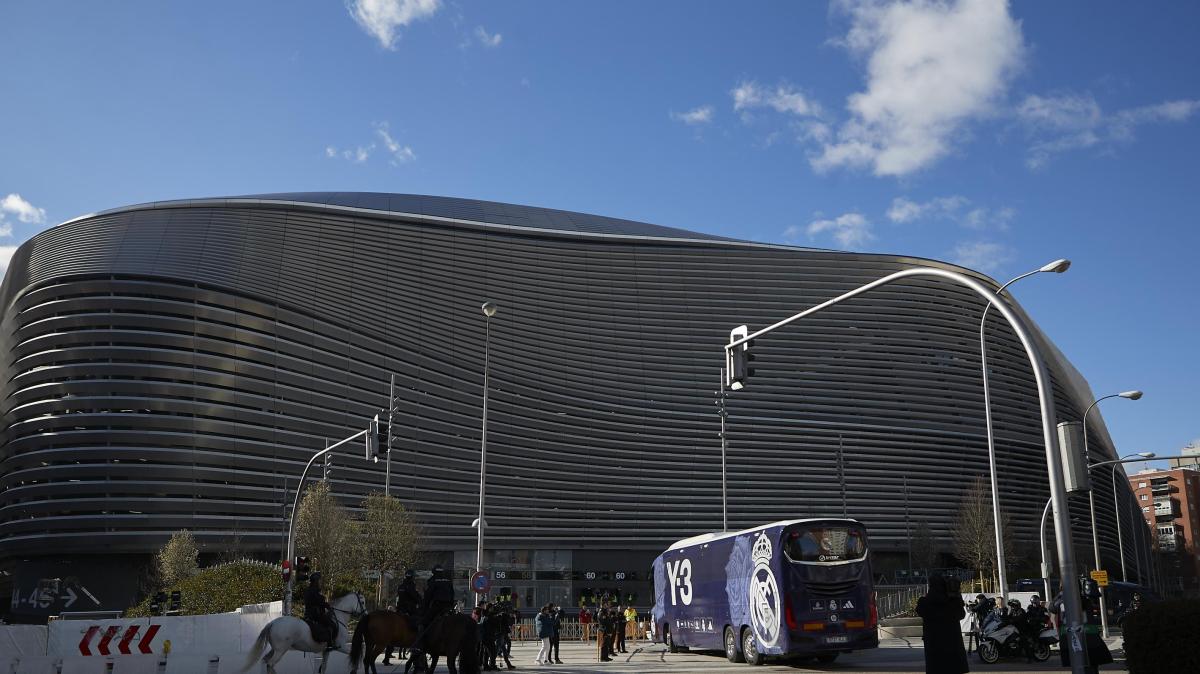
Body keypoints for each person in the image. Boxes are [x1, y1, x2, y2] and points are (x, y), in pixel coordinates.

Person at [915, 574, 968, 674]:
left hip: (934, 648)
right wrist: (956, 596)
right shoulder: (952, 602)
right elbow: (961, 615)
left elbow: (920, 610)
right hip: (953, 647)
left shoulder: (924, 603)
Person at [303, 571, 339, 650]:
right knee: (331, 624)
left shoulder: (309, 590)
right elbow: (319, 602)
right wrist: (328, 606)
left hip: (309, 613)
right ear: (315, 581)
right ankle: (329, 644)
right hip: (315, 614)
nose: (320, 582)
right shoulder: (313, 591)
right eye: (319, 580)